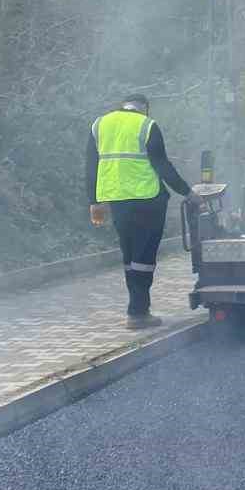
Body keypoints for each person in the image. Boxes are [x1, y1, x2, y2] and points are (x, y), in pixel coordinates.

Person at [86, 94, 197, 329]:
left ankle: (136, 309)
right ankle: (138, 312)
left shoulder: (100, 125)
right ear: (145, 109)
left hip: (116, 200)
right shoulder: (147, 125)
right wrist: (187, 192)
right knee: (144, 257)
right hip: (148, 200)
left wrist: (94, 202)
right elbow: (162, 165)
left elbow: (91, 165)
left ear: (122, 106)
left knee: (129, 256)